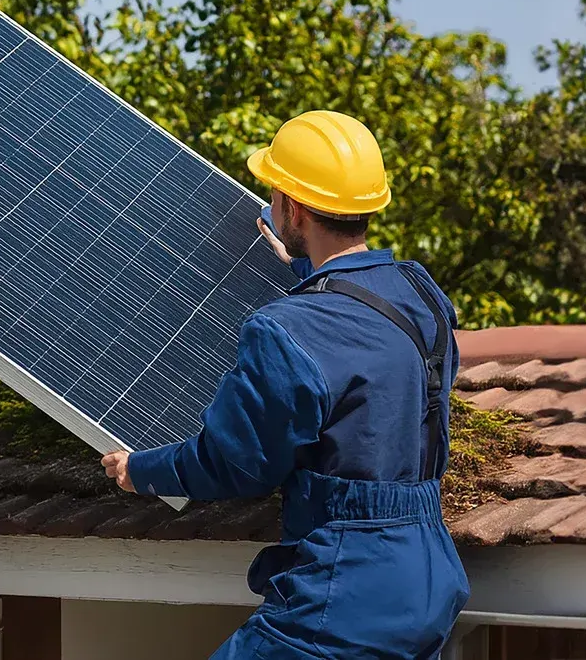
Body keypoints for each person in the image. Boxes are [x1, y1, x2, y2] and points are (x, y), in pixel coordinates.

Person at [100, 110, 470, 659]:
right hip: (428, 577)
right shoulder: (422, 296)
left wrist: (141, 470)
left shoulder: (288, 330)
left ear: (291, 208)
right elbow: (364, 345)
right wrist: (310, 272)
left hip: (342, 597)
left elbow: (237, 463)